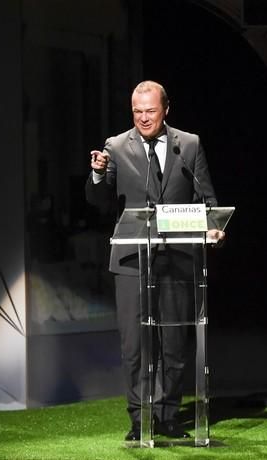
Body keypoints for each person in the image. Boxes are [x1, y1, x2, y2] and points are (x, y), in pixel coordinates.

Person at [85, 80, 224, 441]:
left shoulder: (188, 145)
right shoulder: (116, 146)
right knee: (135, 345)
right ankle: (139, 417)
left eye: (150, 111)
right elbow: (99, 202)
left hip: (178, 256)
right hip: (132, 257)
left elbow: (206, 200)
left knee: (175, 343)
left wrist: (212, 229)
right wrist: (99, 173)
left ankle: (166, 414)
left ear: (166, 109)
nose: (143, 118)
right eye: (137, 112)